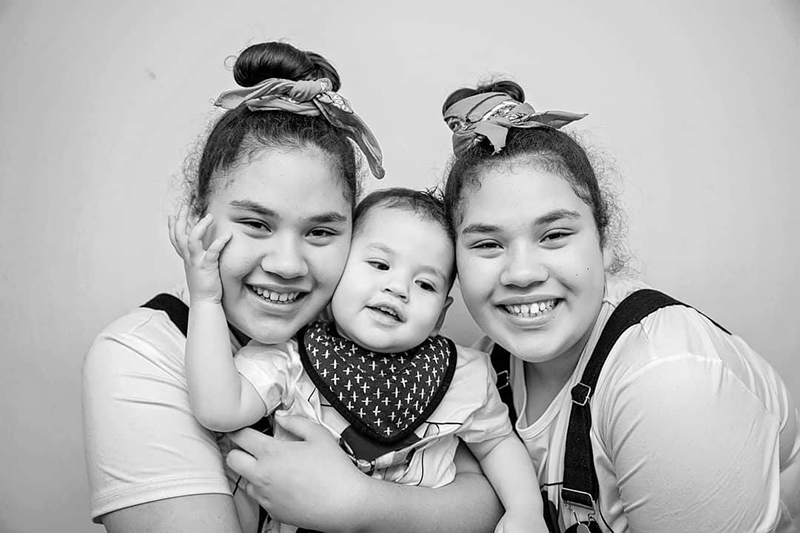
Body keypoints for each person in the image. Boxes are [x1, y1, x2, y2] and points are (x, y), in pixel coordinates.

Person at [82, 41, 503, 533]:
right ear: (198, 218)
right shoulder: (139, 357)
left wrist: (360, 503)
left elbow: (485, 497)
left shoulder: (365, 336)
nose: (286, 264)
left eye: (321, 232)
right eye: (256, 224)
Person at [440, 80, 800, 532]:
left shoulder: (668, 381)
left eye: (554, 235)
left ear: (605, 243)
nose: (522, 272)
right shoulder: (485, 368)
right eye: (488, 244)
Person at [171, 186, 548, 533]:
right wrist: (205, 300)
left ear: (440, 317)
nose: (398, 288)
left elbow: (497, 443)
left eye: (425, 284)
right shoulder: (290, 356)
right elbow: (219, 409)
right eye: (379, 265)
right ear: (338, 273)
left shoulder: (463, 374)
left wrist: (525, 510)